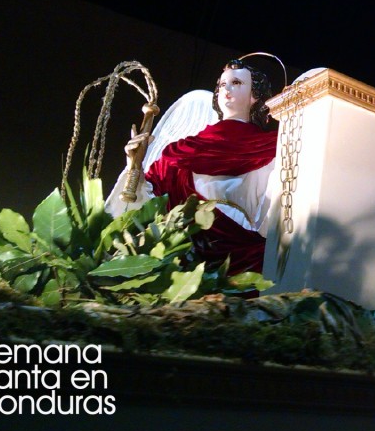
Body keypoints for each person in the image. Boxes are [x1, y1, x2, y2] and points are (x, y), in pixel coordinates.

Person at [106, 59, 278, 275]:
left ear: (255, 96)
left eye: (236, 83)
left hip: (241, 258)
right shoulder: (180, 151)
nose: (226, 89)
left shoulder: (272, 146)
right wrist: (134, 166)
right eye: (222, 84)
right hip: (184, 255)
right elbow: (149, 200)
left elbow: (274, 206)